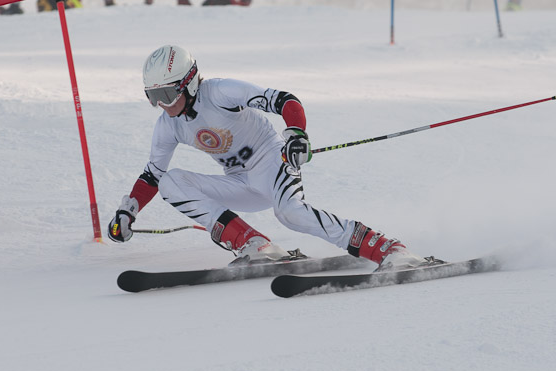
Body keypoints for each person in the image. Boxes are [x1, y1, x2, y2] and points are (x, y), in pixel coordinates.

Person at [108, 45, 426, 270]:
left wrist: (296, 135)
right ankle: (254, 243)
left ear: (188, 82)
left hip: (273, 162)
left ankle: (387, 248)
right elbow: (152, 175)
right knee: (172, 182)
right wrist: (128, 211)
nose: (162, 105)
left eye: (166, 95)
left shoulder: (221, 92)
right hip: (240, 183)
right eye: (153, 97)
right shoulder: (168, 125)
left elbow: (285, 101)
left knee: (290, 213)